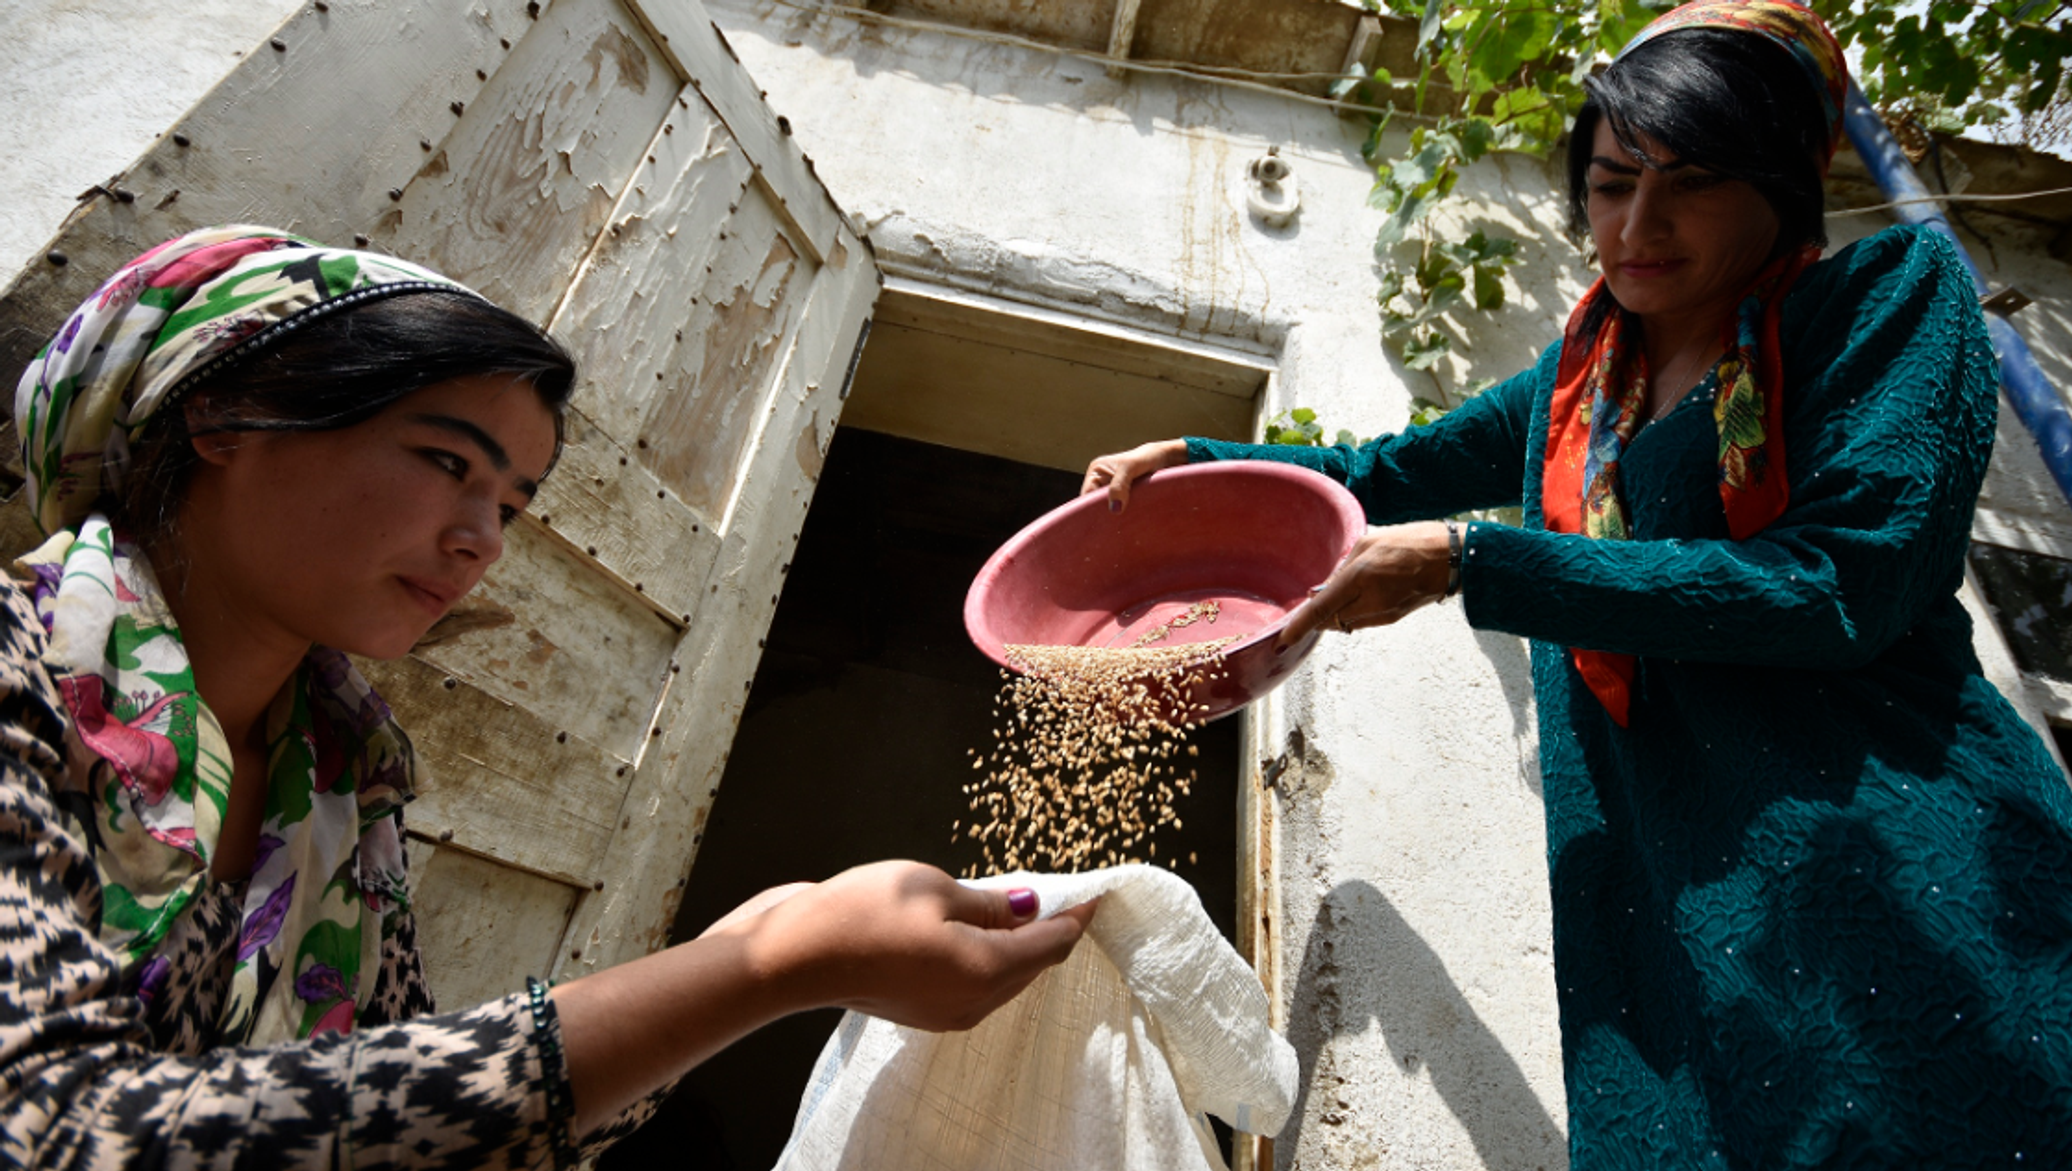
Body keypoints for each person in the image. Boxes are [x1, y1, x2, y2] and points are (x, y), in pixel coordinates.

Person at [1086, 2, 2072, 1165]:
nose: (1635, 226)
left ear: (1782, 184)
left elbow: (1839, 581)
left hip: (1900, 860)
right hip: (1654, 899)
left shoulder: (1881, 304)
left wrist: (1473, 562)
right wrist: (1194, 466)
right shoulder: (1576, 389)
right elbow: (1376, 473)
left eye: (1690, 183)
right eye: (1610, 183)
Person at [0, 226, 1094, 1168]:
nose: (479, 540)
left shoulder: (338, 783)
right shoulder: (19, 670)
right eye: (444, 461)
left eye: (511, 506)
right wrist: (762, 968)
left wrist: (761, 938)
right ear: (223, 421)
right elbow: (51, 1132)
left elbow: (408, 1133)